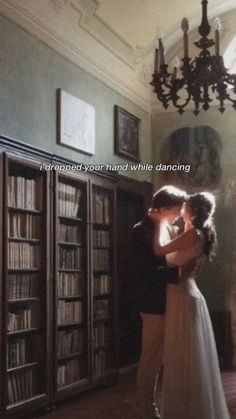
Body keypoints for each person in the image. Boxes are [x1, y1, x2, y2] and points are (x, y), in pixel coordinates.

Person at [151, 192, 230, 419]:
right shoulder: (196, 234)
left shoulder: (192, 234)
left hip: (182, 297)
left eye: (186, 205)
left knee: (183, 355)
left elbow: (159, 250)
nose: (182, 207)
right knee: (186, 355)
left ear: (193, 211)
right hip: (185, 294)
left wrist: (159, 223)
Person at [133, 185, 187, 418]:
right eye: (177, 209)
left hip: (166, 300)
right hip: (152, 301)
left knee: (159, 357)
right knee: (150, 357)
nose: (179, 214)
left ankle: (151, 404)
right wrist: (178, 274)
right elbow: (147, 271)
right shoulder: (142, 230)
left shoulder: (164, 227)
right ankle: (145, 407)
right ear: (165, 207)